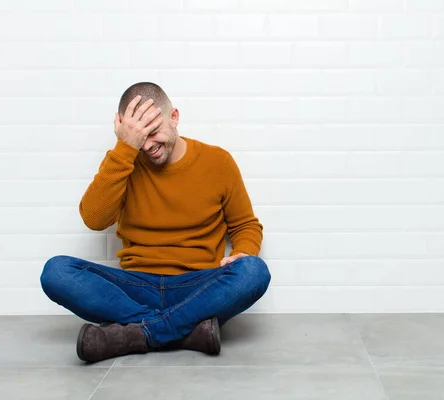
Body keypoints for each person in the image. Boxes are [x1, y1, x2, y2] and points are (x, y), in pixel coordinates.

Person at [40, 82, 271, 363]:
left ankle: (139, 333)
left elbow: (245, 225)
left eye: (152, 132)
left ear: (174, 117)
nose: (147, 145)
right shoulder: (122, 161)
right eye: (138, 137)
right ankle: (183, 331)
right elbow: (94, 218)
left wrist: (241, 252)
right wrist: (126, 149)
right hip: (136, 287)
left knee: (254, 271)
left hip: (197, 287)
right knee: (56, 272)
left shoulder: (218, 161)